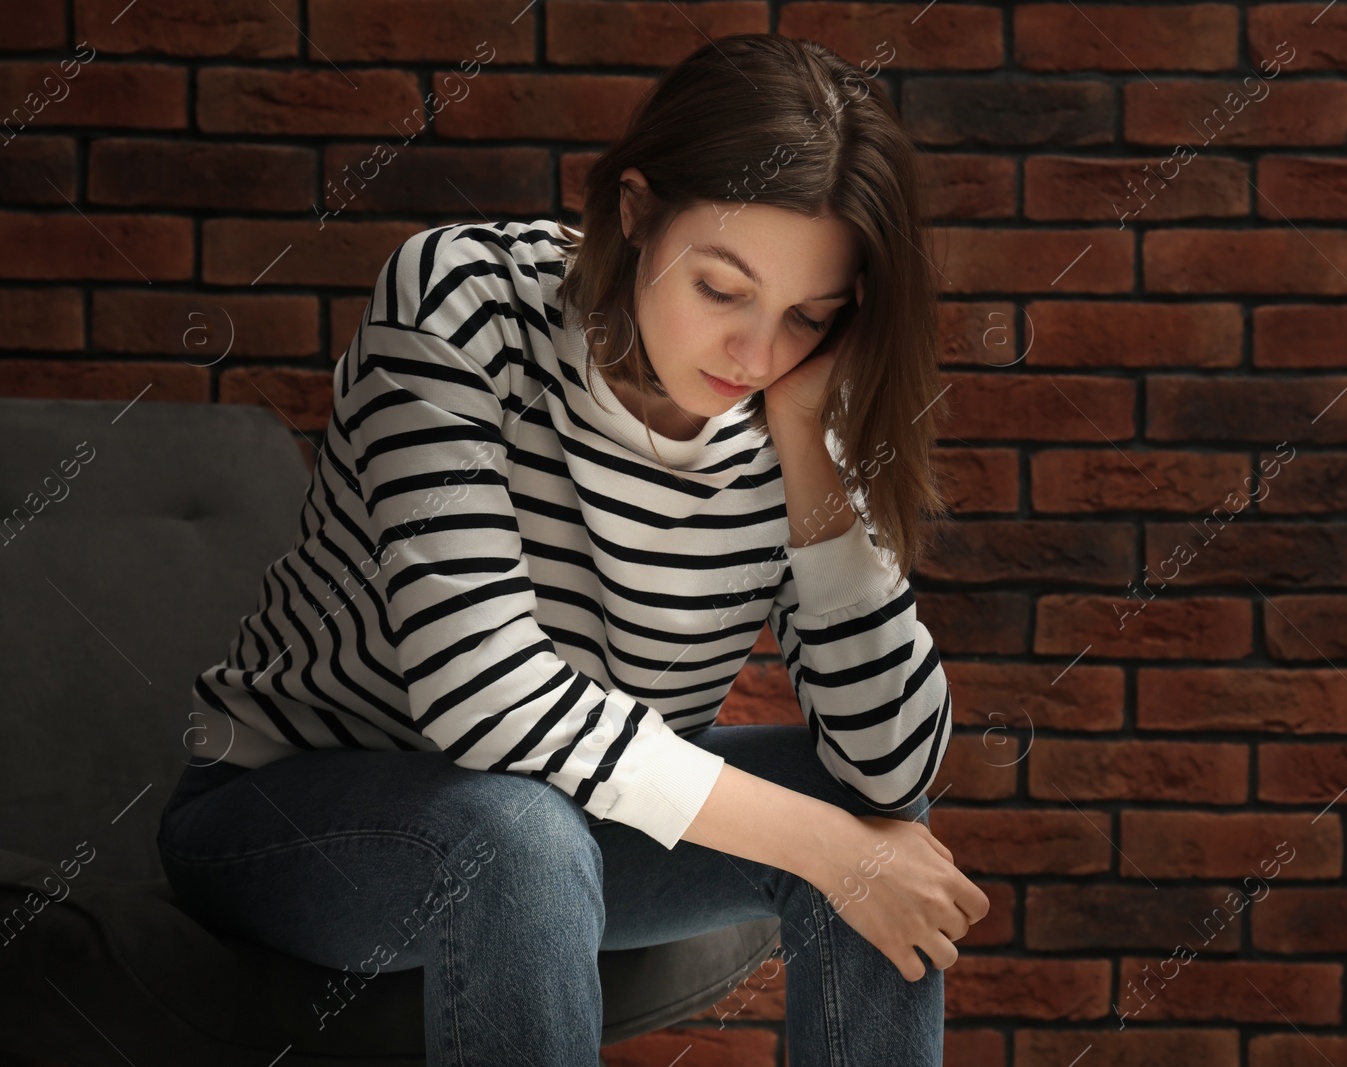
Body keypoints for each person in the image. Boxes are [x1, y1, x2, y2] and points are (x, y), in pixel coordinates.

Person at [156, 31, 987, 1066]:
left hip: (563, 818)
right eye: (721, 290)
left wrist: (815, 452)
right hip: (292, 815)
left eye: (808, 315)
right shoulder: (464, 300)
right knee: (525, 832)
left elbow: (889, 764)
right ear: (635, 214)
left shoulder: (790, 391)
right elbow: (482, 694)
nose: (756, 353)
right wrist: (824, 850)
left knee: (863, 821)